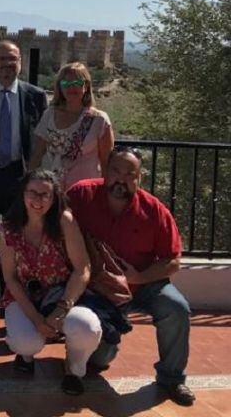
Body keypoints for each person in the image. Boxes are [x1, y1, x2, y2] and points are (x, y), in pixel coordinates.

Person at [67, 147, 195, 406]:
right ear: (104, 170)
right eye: (116, 170)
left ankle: (172, 379)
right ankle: (94, 350)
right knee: (100, 361)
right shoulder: (81, 195)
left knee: (176, 307)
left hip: (144, 284)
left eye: (130, 174)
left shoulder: (154, 210)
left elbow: (173, 261)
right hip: (98, 290)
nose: (121, 179)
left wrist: (138, 278)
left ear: (139, 178)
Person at [0, 170, 98, 395]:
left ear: (54, 198)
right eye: (32, 192)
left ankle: (74, 369)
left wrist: (62, 309)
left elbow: (82, 268)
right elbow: (10, 278)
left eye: (45, 195)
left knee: (87, 328)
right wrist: (36, 319)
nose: (38, 200)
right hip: (25, 297)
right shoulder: (9, 226)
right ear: (22, 194)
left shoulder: (64, 221)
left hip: (63, 294)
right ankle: (25, 355)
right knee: (26, 341)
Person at [0, 40, 48, 316]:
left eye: (12, 59)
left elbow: (41, 139)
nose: (6, 65)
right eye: (1, 59)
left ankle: (14, 297)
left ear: (21, 63)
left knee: (19, 240)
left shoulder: (35, 96)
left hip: (20, 178)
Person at [32, 62, 114, 190]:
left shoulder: (99, 120)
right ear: (60, 87)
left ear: (86, 86)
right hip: (49, 191)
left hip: (83, 193)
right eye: (66, 84)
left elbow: (106, 163)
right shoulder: (49, 114)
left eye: (77, 83)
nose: (71, 88)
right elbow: (38, 153)